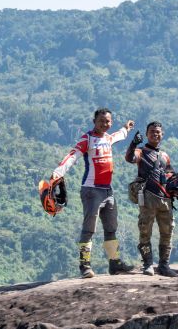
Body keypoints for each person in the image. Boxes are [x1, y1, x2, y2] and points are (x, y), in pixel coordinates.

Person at [51, 107, 137, 278]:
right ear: (94, 122)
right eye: (101, 121)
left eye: (108, 121)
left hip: (108, 190)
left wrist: (126, 128)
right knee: (89, 229)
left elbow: (119, 135)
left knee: (111, 228)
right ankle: (85, 266)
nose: (105, 124)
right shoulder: (88, 139)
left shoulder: (108, 138)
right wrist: (57, 173)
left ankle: (114, 263)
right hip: (91, 190)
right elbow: (72, 156)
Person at [124, 121, 177, 277]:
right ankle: (147, 264)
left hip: (165, 199)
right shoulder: (141, 151)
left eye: (158, 132)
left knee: (167, 232)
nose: (155, 134)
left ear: (162, 134)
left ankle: (164, 265)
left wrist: (177, 186)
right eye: (152, 131)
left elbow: (170, 174)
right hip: (147, 198)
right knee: (145, 231)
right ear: (147, 134)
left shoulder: (165, 155)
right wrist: (133, 143)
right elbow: (129, 158)